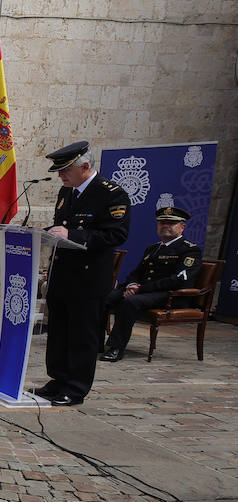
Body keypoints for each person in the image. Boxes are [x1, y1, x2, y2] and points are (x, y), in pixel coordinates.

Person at [36, 141, 130, 405]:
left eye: (65, 170)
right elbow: (60, 226)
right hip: (62, 274)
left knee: (82, 334)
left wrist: (74, 234)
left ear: (85, 166)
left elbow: (116, 234)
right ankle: (58, 379)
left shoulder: (111, 194)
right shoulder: (67, 192)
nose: (60, 175)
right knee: (59, 332)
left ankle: (75, 387)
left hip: (88, 278)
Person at [102, 204, 202, 362]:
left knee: (130, 303)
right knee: (105, 298)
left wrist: (140, 289)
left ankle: (116, 348)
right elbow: (137, 272)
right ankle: (96, 343)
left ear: (182, 227)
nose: (166, 226)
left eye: (171, 223)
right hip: (145, 292)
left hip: (170, 296)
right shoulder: (153, 248)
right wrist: (131, 285)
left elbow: (178, 279)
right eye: (162, 223)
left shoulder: (189, 250)